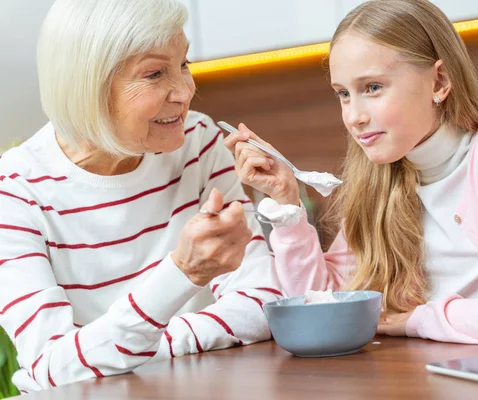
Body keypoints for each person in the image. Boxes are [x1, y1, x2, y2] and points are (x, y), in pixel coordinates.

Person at [224, 0, 478, 345]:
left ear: (439, 81)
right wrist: (287, 207)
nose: (354, 116)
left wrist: (418, 320)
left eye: (372, 88)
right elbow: (327, 306)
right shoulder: (376, 173)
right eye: (343, 94)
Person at [0, 0, 281, 393]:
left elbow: (263, 302)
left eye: (183, 64)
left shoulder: (199, 145)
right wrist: (181, 274)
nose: (185, 92)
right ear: (88, 86)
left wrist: (129, 351)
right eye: (154, 74)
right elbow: (53, 368)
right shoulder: (14, 192)